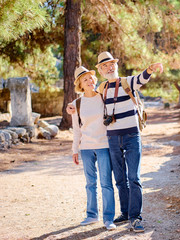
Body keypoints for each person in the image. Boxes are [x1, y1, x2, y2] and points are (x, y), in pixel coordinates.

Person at [68, 52, 163, 233]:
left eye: (112, 64)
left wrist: (151, 68)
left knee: (133, 178)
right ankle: (126, 212)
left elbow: (142, 78)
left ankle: (136, 218)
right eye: (105, 66)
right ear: (101, 71)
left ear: (116, 66)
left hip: (132, 136)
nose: (109, 68)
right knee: (119, 180)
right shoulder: (102, 88)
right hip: (112, 138)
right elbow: (85, 99)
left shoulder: (128, 81)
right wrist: (70, 107)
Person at [71, 66, 116, 230]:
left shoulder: (103, 98)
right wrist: (75, 150)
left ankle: (109, 219)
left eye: (91, 78)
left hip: (104, 145)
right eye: (85, 80)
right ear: (80, 85)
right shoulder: (77, 104)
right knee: (90, 183)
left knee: (106, 183)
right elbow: (77, 129)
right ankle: (91, 215)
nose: (89, 81)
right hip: (86, 148)